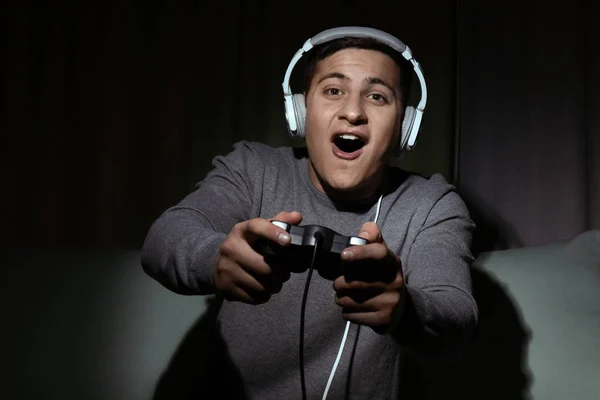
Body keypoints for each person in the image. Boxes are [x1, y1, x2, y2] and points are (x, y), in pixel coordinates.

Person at [141, 26, 478, 399]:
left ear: (404, 127)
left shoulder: (431, 203)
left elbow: (456, 315)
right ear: (300, 111)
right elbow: (164, 238)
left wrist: (405, 310)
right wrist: (213, 259)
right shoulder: (253, 169)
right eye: (333, 91)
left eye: (377, 96)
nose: (352, 112)